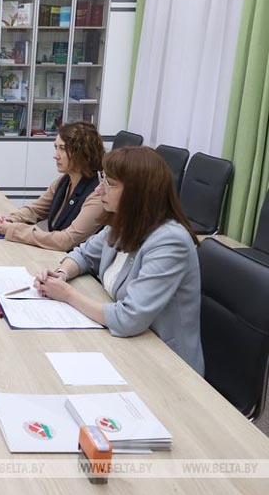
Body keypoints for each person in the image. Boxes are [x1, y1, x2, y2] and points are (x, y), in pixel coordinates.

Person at [34, 146, 203, 374]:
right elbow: (84, 254)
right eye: (103, 179)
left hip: (166, 365)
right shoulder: (124, 222)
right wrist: (62, 274)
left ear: (138, 193)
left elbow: (129, 318)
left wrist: (67, 295)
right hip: (128, 346)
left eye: (110, 184)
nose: (99, 189)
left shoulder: (170, 241)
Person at [0, 122, 106, 251]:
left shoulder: (98, 193)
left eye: (62, 148)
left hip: (73, 260)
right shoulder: (64, 181)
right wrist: (10, 220)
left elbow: (66, 241)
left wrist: (14, 230)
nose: (55, 155)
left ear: (83, 152)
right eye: (56, 147)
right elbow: (36, 210)